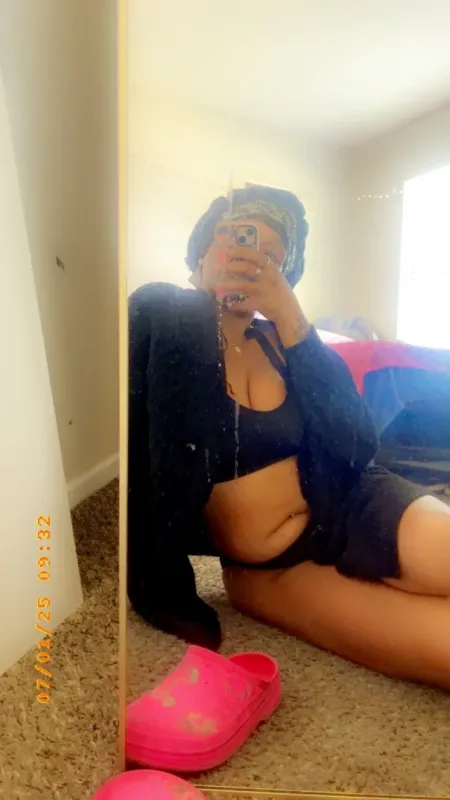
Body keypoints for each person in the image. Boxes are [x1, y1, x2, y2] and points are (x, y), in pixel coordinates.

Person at [128, 185, 450, 689]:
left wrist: (295, 324)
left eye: (271, 258)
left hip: (355, 505)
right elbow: (142, 453)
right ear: (200, 251)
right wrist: (200, 300)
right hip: (269, 572)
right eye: (233, 239)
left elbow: (357, 445)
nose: (249, 260)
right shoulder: (166, 323)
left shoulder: (286, 342)